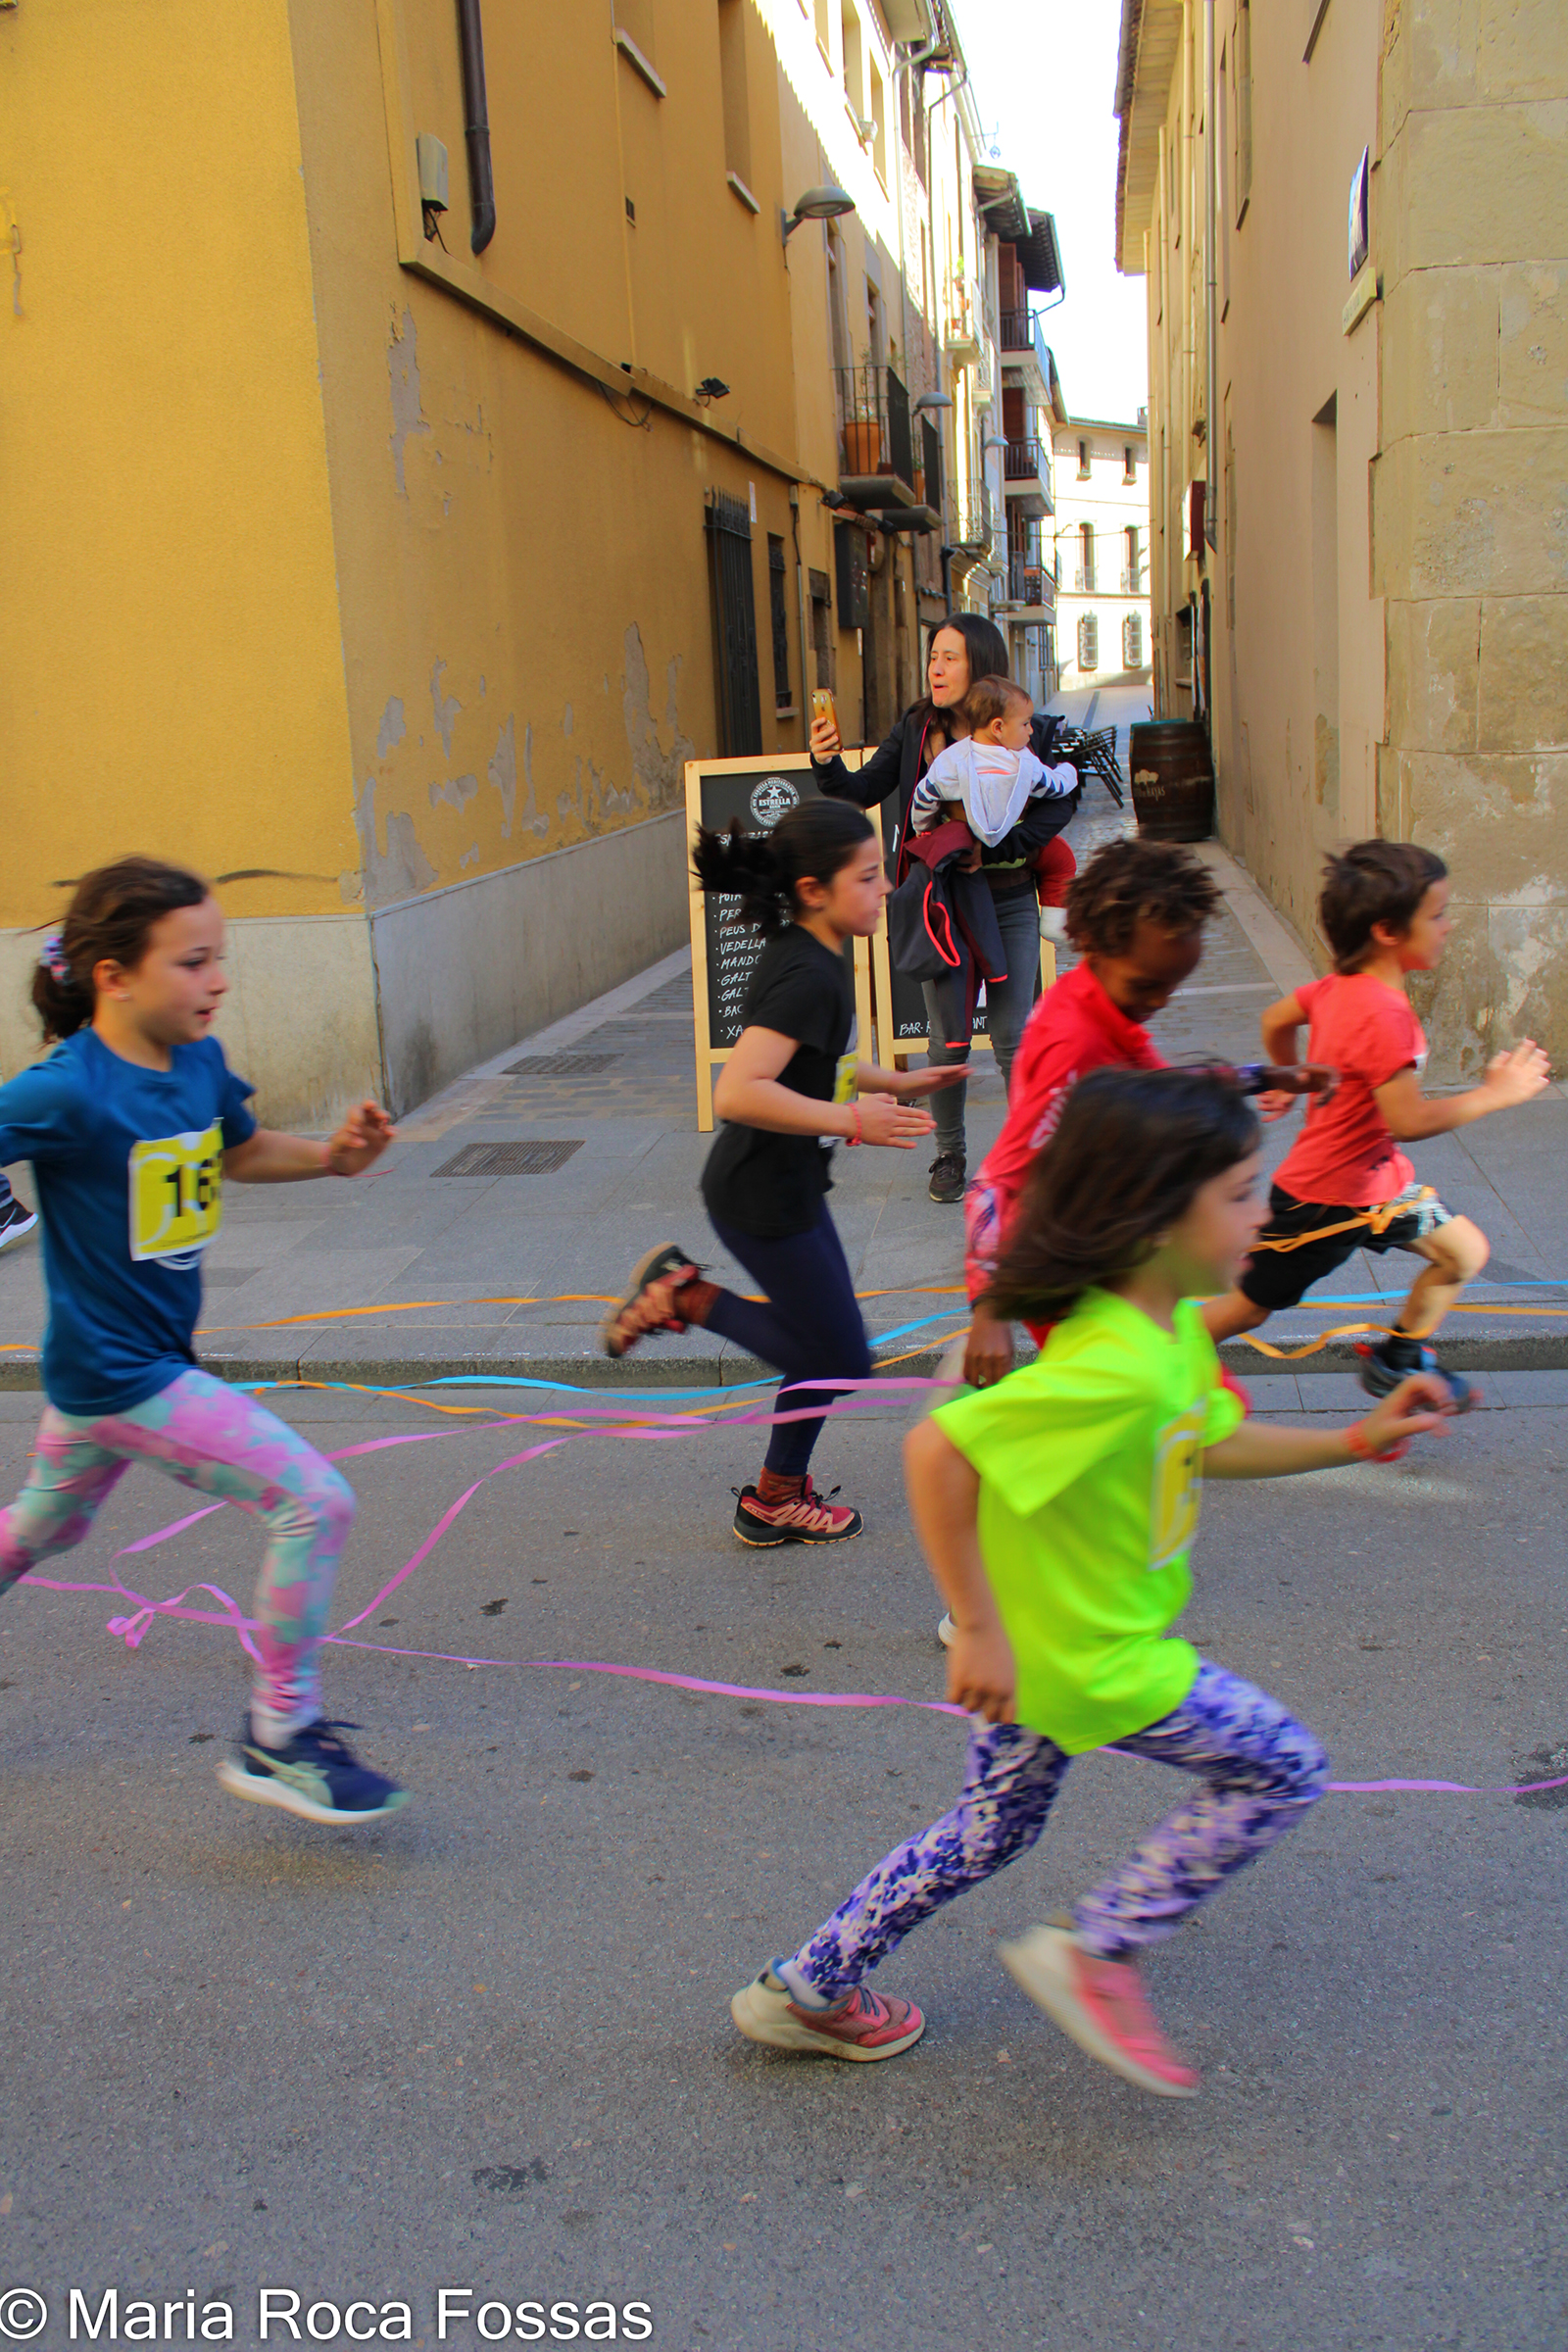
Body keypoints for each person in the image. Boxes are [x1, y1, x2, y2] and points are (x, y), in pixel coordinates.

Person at [729, 1067, 1450, 2093]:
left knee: (990, 1831)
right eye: (1240, 1193)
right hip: (1087, 1655)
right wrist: (976, 1628)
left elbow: (1205, 1442)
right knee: (1284, 1766)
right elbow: (939, 1449)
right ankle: (1099, 1949)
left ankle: (805, 1987)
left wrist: (1352, 1438)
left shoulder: (1166, 1336)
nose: (1263, 1212)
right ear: (1156, 1221)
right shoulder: (1114, 1364)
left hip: (1044, 1647)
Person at [0, 856, 406, 1826]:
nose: (217, 980)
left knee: (41, 1531)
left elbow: (240, 1149)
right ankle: (279, 1735)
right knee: (314, 1502)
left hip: (127, 1371)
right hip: (120, 1376)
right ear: (114, 976)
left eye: (220, 957)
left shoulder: (197, 1064)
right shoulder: (66, 1090)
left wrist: (333, 1158)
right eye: (192, 962)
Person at [601, 802, 960, 1546]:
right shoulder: (807, 973)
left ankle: (775, 1499)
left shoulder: (817, 952)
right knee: (838, 1357)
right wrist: (854, 1119)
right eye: (868, 877)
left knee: (831, 1351)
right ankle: (683, 1294)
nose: (886, 888)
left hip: (784, 1186)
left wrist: (893, 1083)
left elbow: (818, 1064)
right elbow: (738, 1092)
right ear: (813, 890)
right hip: (761, 1196)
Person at [957, 838, 1332, 1396]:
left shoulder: (1103, 1000)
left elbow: (1159, 1087)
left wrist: (1264, 1077)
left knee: (1192, 1395)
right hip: (1066, 1273)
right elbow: (994, 1183)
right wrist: (989, 1309)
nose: (1159, 1002)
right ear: (1092, 945)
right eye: (1148, 985)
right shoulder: (1072, 1041)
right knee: (1175, 1400)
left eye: (1172, 986)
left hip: (1108, 1251)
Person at [1201, 842, 1551, 1406]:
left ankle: (1398, 1359)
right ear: (1387, 930)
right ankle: (1151, 1370)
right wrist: (1495, 1094)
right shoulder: (1385, 1015)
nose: (1448, 926)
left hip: (1379, 1188)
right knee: (1248, 1307)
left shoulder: (1340, 987)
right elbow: (1407, 1120)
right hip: (1324, 1199)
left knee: (1463, 1254)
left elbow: (1275, 1018)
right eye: (1436, 915)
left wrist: (1290, 1078)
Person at [809, 614, 1080, 1204]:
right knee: (949, 1039)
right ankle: (950, 1154)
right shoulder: (916, 729)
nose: (935, 667)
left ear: (979, 666)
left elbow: (1060, 805)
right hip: (943, 906)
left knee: (1012, 1034)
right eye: (933, 655)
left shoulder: (1026, 729)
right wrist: (827, 761)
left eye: (950, 657)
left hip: (1010, 899)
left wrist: (996, 850)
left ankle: (1028, 1157)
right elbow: (859, 790)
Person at [909, 676, 1078, 936]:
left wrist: (924, 827)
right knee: (1061, 857)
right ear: (998, 727)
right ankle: (1054, 921)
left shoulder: (952, 760)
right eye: (1025, 724)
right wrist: (1068, 770)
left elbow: (924, 796)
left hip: (961, 856)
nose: (1031, 731)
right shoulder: (1022, 764)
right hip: (1014, 859)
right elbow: (1056, 786)